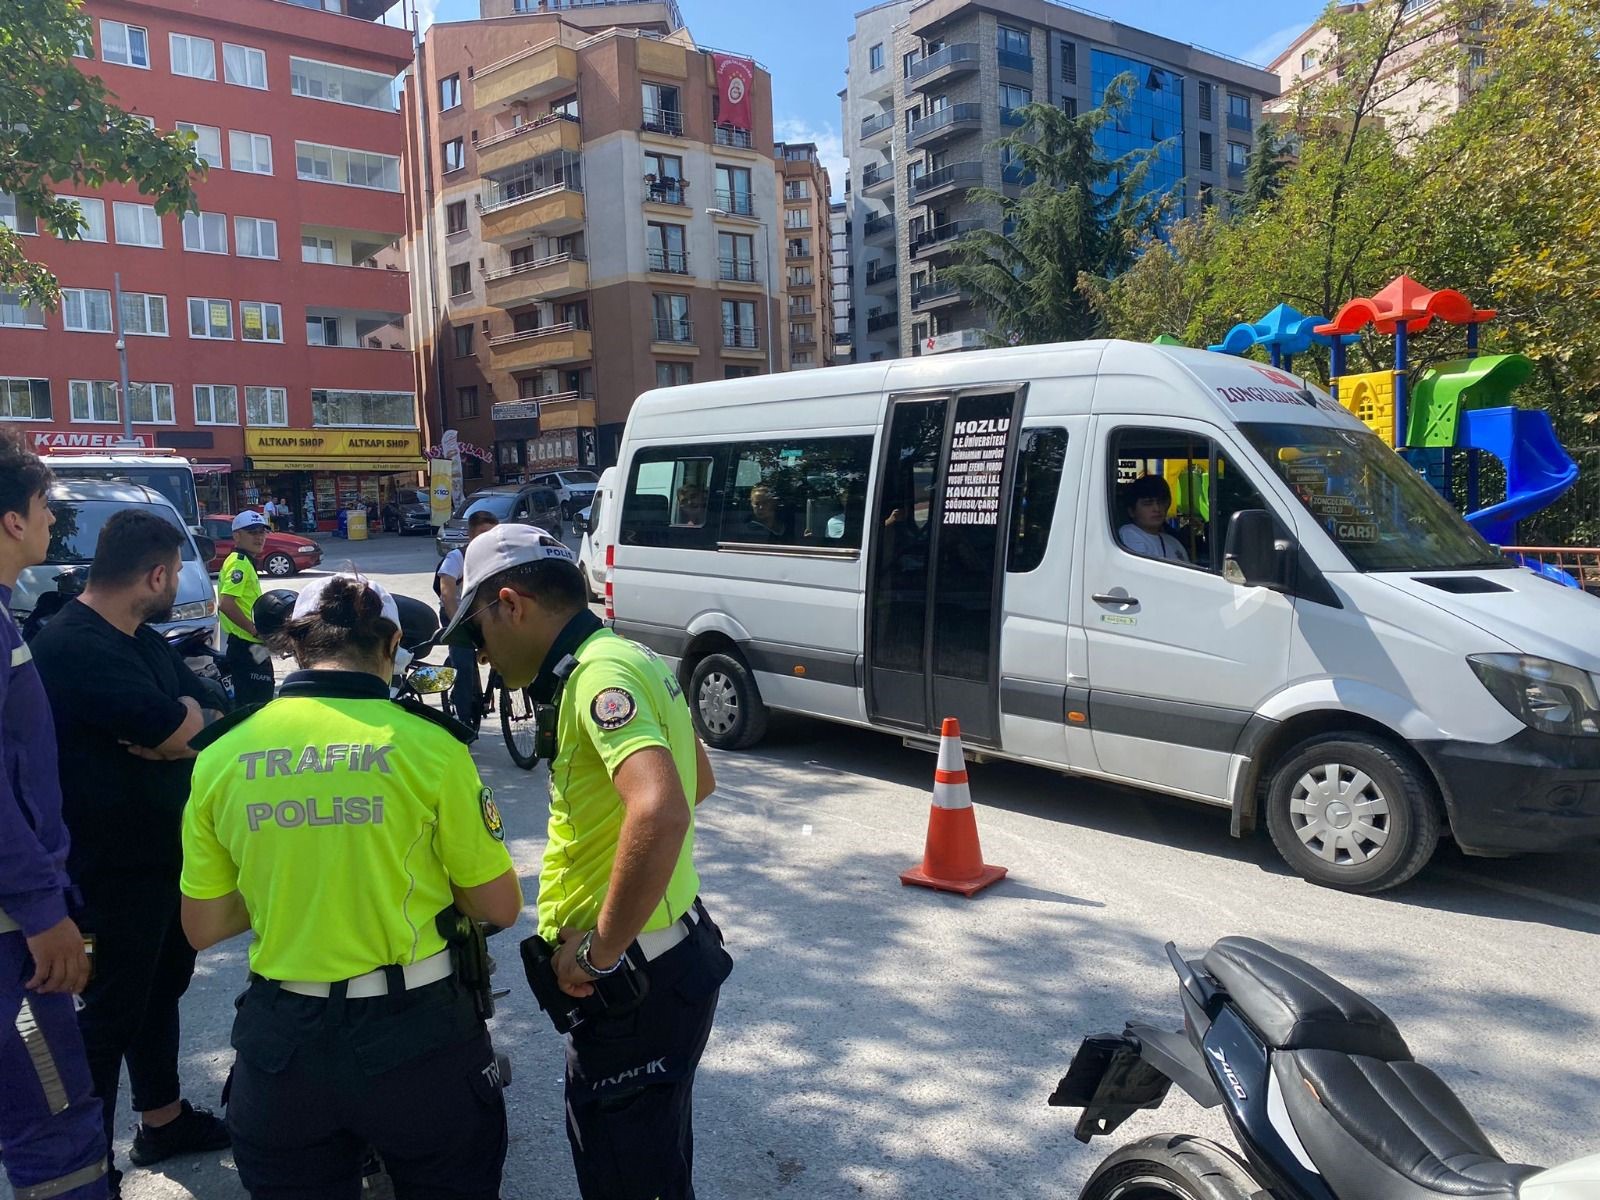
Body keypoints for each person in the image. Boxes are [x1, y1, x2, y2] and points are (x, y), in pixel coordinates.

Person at [180, 574, 522, 1200]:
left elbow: (201, 926)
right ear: (392, 644)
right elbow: (498, 904)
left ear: (295, 645)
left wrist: (295, 880)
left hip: (283, 1043)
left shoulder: (221, 754)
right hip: (418, 1033)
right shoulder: (432, 746)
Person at [442, 525, 731, 1200]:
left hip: (632, 983)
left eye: (476, 631)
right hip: (668, 963)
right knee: (654, 1168)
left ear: (510, 604)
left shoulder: (597, 676)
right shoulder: (629, 656)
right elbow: (698, 778)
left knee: (626, 1177)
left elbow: (662, 808)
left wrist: (601, 953)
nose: (479, 653)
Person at [31, 509, 232, 1195]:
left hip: (162, 859)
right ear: (155, 575)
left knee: (159, 991)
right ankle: (89, 1169)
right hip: (108, 869)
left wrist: (184, 727)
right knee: (110, 1014)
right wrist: (181, 728)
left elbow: (214, 715)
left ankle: (162, 1120)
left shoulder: (139, 639)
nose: (175, 584)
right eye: (174, 573)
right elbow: (179, 726)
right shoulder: (75, 646)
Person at [0, 433, 111, 1200]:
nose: (50, 522)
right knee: (56, 1134)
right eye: (44, 507)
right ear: (13, 520)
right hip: (14, 934)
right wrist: (42, 911)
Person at [435, 509, 500, 729]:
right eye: (483, 533)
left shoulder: (499, 558)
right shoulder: (456, 558)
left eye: (492, 533)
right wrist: (458, 626)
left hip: (484, 614)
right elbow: (447, 594)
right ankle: (463, 720)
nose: (488, 538)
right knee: (463, 663)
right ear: (471, 536)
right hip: (456, 613)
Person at [217, 510, 276, 707]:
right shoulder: (239, 564)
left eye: (262, 532)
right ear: (237, 536)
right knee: (257, 704)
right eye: (252, 533)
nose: (259, 537)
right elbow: (226, 604)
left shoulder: (245, 561)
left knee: (261, 695)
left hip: (255, 645)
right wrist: (254, 630)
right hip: (247, 645)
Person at [1118, 475, 1190, 563]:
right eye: (1148, 503)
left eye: (1161, 502)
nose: (1157, 508)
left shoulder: (1173, 542)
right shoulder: (1128, 534)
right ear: (1131, 511)